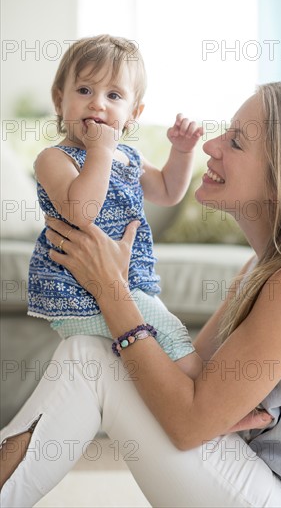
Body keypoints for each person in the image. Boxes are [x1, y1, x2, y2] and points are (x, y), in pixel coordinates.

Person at [1, 82, 281, 507]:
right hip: (264, 479)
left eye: (236, 142)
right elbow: (187, 377)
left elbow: (187, 423)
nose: (211, 146)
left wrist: (110, 289)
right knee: (90, 352)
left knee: (90, 359)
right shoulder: (264, 269)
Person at [27, 33, 204, 377]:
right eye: (84, 91)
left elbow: (167, 192)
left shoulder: (128, 157)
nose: (97, 104)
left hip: (129, 283)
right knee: (172, 339)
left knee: (150, 350)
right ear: (59, 99)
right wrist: (101, 152)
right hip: (79, 292)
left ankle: (191, 405)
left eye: (113, 95)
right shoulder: (55, 158)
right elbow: (81, 212)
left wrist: (182, 153)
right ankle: (213, 403)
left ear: (133, 113)